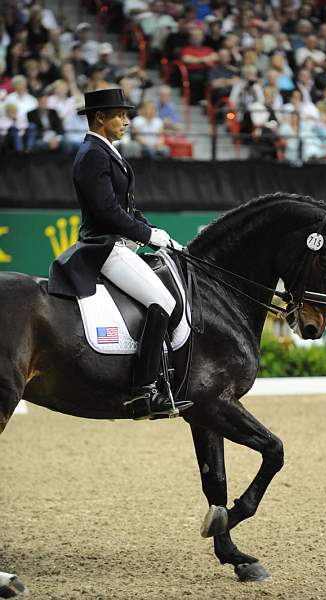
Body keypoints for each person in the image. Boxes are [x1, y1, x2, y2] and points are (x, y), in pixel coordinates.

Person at [48, 89, 191, 419]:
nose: (127, 121)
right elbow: (109, 212)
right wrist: (147, 235)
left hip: (121, 243)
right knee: (164, 303)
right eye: (119, 115)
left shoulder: (106, 152)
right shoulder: (92, 154)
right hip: (106, 247)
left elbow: (128, 208)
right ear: (100, 118)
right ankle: (144, 392)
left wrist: (159, 235)